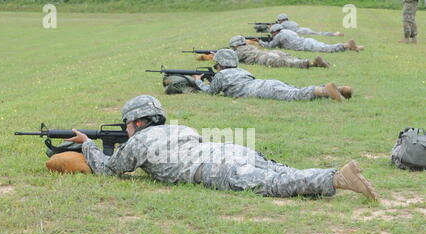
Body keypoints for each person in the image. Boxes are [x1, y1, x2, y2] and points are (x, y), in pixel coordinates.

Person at [59, 95, 377, 200]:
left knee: (274, 184)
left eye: (127, 124)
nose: (126, 129)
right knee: (279, 170)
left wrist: (87, 146)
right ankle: (342, 177)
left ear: (137, 122)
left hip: (215, 169)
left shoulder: (140, 140)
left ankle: (336, 178)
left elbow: (108, 170)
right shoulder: (178, 127)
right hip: (230, 151)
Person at [192, 49, 352, 102]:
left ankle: (326, 91)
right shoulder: (242, 71)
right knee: (295, 89)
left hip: (260, 91)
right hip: (267, 83)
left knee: (295, 95)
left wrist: (198, 82)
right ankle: (340, 89)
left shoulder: (222, 75)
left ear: (220, 64)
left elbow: (210, 92)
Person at [228, 35, 330, 69]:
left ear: (235, 45)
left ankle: (312, 63)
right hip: (268, 52)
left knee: (286, 63)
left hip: (262, 58)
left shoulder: (237, 52)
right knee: (288, 58)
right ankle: (312, 61)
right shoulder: (249, 46)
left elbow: (228, 59)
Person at [259, 24, 364, 53]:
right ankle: (353, 47)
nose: (272, 35)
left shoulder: (279, 35)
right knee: (326, 46)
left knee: (327, 49)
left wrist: (259, 42)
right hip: (307, 41)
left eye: (272, 33)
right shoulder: (287, 31)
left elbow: (270, 46)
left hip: (306, 45)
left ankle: (346, 45)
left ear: (275, 32)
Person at [276, 13, 344, 37]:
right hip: (304, 29)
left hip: (301, 32)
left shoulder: (283, 24)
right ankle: (334, 33)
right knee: (318, 33)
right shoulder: (291, 22)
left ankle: (334, 34)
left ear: (281, 19)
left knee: (319, 34)